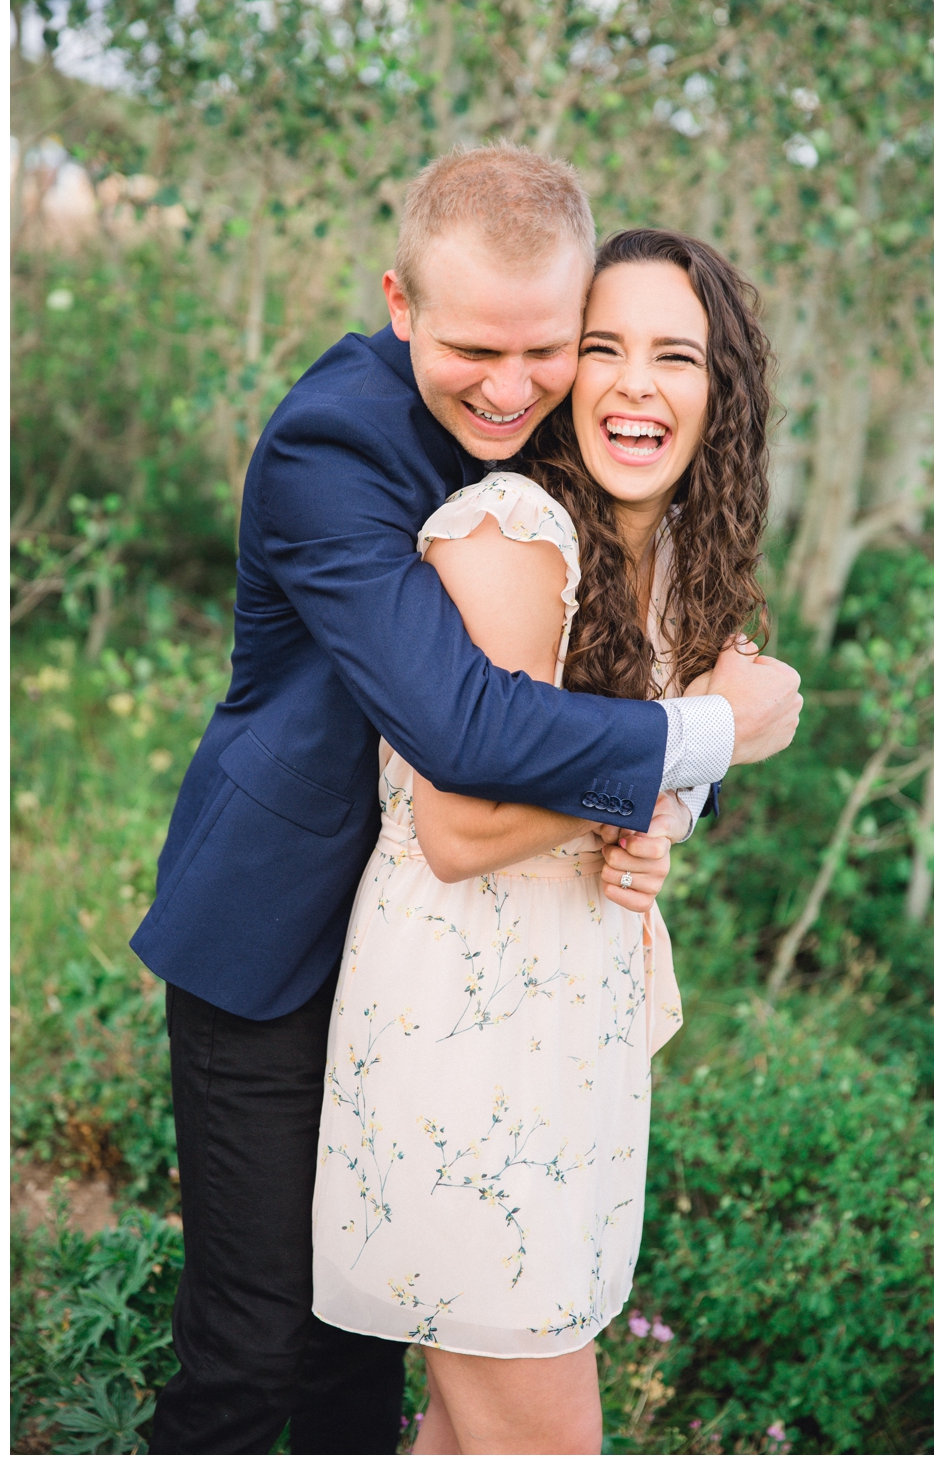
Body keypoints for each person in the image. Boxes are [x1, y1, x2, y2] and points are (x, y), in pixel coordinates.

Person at [134, 147, 802, 1455]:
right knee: (255, 1345)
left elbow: (597, 691)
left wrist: (670, 798)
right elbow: (467, 730)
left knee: (362, 1357)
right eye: (471, 350)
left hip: (442, 971)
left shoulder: (572, 446)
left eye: (548, 348)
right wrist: (717, 734)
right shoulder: (340, 442)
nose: (509, 386)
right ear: (400, 305)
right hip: (277, 935)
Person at [309, 226, 771, 1453]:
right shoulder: (516, 530)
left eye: (675, 354)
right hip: (466, 1044)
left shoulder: (668, 552)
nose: (633, 382)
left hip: (568, 1038)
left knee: (467, 1438)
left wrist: (658, 811)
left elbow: (604, 788)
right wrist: (706, 735)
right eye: (602, 348)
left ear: (721, 385)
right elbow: (459, 828)